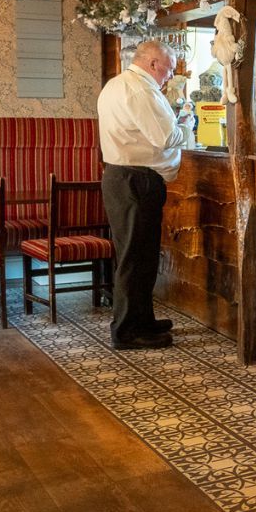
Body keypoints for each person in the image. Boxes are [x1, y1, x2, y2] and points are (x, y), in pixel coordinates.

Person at [97, 41, 183, 350]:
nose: (170, 77)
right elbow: (164, 136)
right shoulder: (141, 90)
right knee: (136, 257)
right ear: (154, 64)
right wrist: (183, 126)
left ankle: (142, 319)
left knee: (140, 255)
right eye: (169, 70)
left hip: (122, 177)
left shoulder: (116, 85)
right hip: (136, 180)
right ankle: (127, 331)